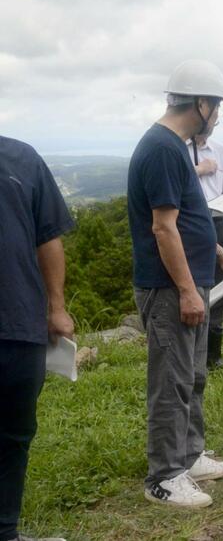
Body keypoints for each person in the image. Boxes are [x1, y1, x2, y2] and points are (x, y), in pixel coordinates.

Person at [127, 60, 223, 508]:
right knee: (171, 381)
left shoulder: (177, 147)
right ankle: (165, 475)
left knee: (192, 377)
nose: (218, 115)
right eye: (217, 106)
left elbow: (192, 219)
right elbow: (163, 228)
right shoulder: (161, 148)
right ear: (202, 103)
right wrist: (190, 290)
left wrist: (220, 254)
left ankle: (189, 456)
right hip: (170, 288)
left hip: (190, 282)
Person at [0, 136, 74, 541]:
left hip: (20, 325)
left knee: (14, 435)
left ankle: (5, 531)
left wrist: (56, 307)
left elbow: (48, 236)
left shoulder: (21, 158)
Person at [188, 130, 223, 370]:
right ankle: (190, 353)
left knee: (219, 284)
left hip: (218, 220)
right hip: (189, 221)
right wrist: (199, 169)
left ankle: (213, 357)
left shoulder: (220, 149)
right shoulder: (178, 148)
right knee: (192, 284)